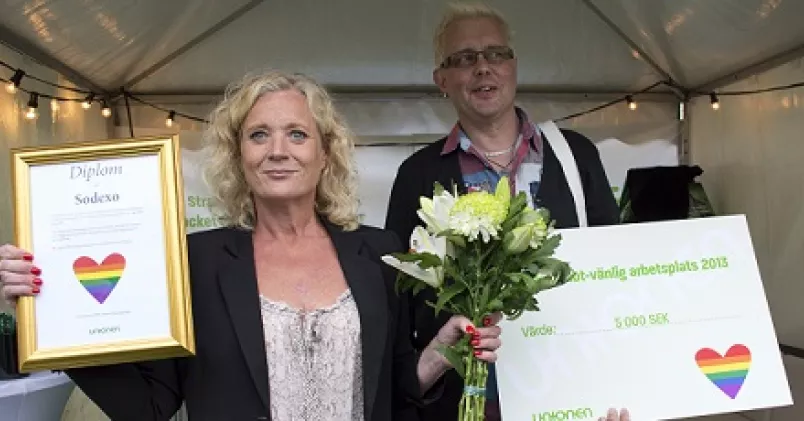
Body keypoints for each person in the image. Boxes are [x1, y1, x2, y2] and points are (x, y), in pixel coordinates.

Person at [0, 70, 504, 421]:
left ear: (325, 154)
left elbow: (394, 392)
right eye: (259, 135)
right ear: (238, 156)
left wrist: (440, 353)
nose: (277, 151)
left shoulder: (377, 253)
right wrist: (47, 315)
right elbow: (147, 405)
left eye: (297, 134)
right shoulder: (194, 262)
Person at [384, 3, 627, 421]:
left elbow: (616, 271)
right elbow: (400, 297)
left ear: (513, 66)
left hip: (571, 394)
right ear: (442, 80)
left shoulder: (576, 156)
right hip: (464, 403)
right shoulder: (417, 176)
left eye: (496, 54)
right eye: (465, 58)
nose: (483, 68)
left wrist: (618, 380)